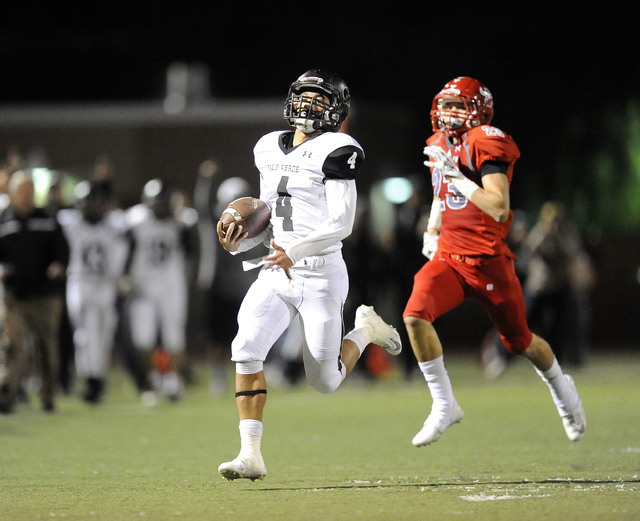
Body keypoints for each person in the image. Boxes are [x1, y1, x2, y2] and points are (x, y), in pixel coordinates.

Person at [216, 69, 402, 481]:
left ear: (336, 109)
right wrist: (240, 243)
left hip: (320, 274)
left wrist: (294, 250)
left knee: (325, 381)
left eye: (319, 99)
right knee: (245, 346)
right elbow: (268, 216)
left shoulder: (338, 148)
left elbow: (342, 223)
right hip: (275, 272)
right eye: (303, 96)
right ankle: (250, 455)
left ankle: (366, 330)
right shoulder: (266, 147)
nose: (307, 105)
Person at [403, 77, 586, 448]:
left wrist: (457, 176)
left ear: (478, 110)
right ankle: (444, 404)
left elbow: (498, 207)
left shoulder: (485, 140)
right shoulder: (439, 143)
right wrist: (433, 229)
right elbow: (442, 192)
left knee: (520, 342)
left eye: (458, 106)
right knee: (414, 315)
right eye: (446, 104)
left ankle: (563, 392)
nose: (448, 112)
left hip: (487, 261)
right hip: (450, 257)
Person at [0, 170, 69, 413]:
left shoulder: (48, 219)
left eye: (29, 191)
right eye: (21, 191)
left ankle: (48, 395)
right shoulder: (4, 221)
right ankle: (7, 395)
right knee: (13, 347)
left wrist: (58, 266)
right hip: (15, 296)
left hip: (44, 296)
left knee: (46, 349)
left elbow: (63, 251)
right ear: (13, 194)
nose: (25, 196)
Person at [122, 178, 194, 404]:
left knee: (174, 338)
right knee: (143, 339)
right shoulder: (135, 221)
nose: (159, 208)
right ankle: (153, 378)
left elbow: (190, 250)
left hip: (171, 285)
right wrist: (125, 276)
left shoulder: (181, 221)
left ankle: (172, 380)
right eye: (156, 203)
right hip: (143, 286)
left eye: (163, 203)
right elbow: (125, 249)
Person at [58, 180, 129, 404]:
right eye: (87, 204)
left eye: (94, 204)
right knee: (85, 335)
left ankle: (95, 378)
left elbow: (120, 256)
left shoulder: (114, 226)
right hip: (80, 283)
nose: (91, 209)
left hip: (104, 285)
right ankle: (92, 379)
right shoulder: (69, 223)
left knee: (103, 335)